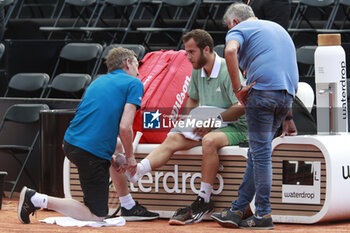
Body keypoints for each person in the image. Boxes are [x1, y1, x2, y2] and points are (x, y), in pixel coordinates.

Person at [17, 47, 159, 224]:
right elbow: (124, 127)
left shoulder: (96, 82)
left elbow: (86, 118)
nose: (138, 72)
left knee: (116, 147)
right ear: (127, 63)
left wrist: (111, 158)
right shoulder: (134, 83)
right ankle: (36, 199)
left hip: (71, 143)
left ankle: (128, 205)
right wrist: (130, 158)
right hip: (89, 152)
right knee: (97, 216)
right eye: (137, 66)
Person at [124, 29, 248, 225]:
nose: (187, 56)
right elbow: (193, 97)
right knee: (172, 138)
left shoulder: (226, 69)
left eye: (191, 52)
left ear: (206, 49)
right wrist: (188, 120)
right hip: (209, 122)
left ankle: (204, 199)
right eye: (186, 52)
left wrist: (213, 121)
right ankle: (137, 171)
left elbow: (241, 105)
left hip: (236, 127)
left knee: (209, 141)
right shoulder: (198, 69)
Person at [211, 3, 298, 230]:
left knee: (261, 155)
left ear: (235, 22)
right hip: (286, 96)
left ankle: (263, 214)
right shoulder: (278, 30)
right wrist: (288, 116)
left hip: (261, 94)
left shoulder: (239, 30)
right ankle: (237, 209)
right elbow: (284, 68)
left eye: (229, 27)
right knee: (257, 153)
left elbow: (229, 51)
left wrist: (238, 87)